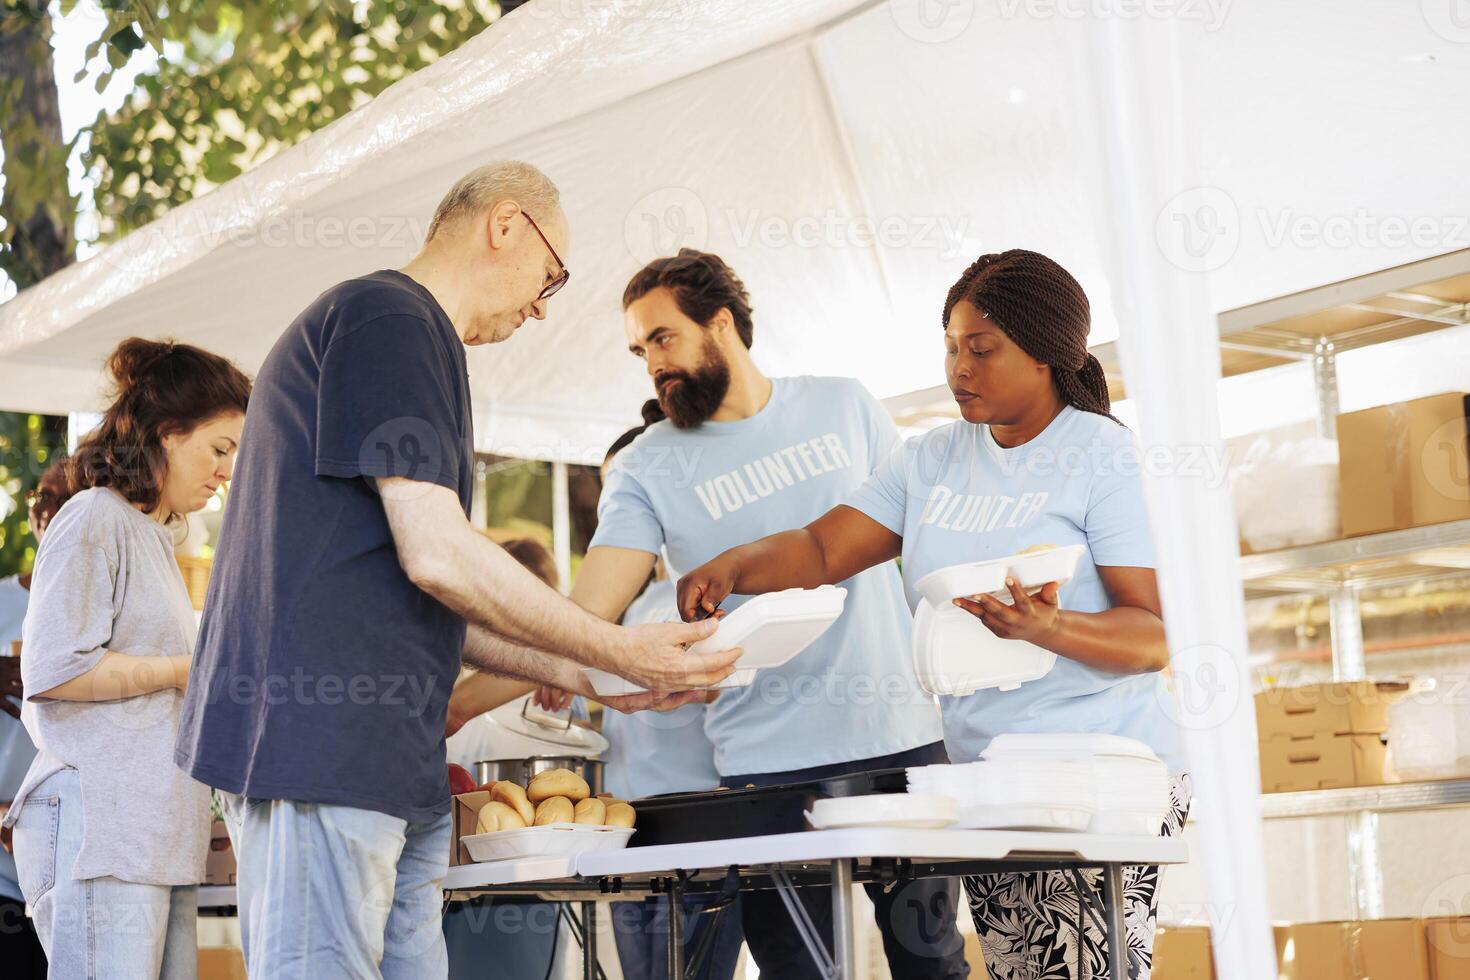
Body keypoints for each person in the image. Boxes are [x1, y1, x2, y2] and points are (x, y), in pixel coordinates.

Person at [174, 161, 738, 980]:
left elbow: (428, 594)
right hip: (323, 751)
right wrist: (617, 650)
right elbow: (437, 552)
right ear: (505, 225)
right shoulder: (389, 316)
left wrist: (596, 674)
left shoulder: (405, 334)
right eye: (550, 277)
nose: (542, 306)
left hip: (384, 765)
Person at [678, 249, 1192, 980]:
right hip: (989, 780)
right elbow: (824, 547)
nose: (959, 368)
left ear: (1046, 353)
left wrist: (1051, 629)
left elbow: (1155, 636)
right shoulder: (932, 459)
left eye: (982, 350)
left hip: (1103, 777)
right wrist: (735, 566)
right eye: (951, 347)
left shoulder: (1103, 456)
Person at [567, 249, 968, 979]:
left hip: (903, 741)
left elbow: (925, 537)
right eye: (639, 350)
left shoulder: (846, 404)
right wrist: (484, 687)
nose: (651, 363)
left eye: (662, 338)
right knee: (800, 973)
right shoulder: (647, 464)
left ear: (720, 324)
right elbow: (586, 608)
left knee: (933, 966)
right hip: (766, 775)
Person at [3, 337, 251, 977]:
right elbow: (55, 671)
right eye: (219, 448)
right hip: (103, 829)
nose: (228, 471)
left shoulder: (153, 538)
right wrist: (186, 671)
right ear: (168, 433)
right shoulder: (94, 517)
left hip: (154, 835)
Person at [0, 459, 71, 979]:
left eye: (64, 498)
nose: (48, 511)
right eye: (40, 499)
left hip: (71, 854)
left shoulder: (103, 602)